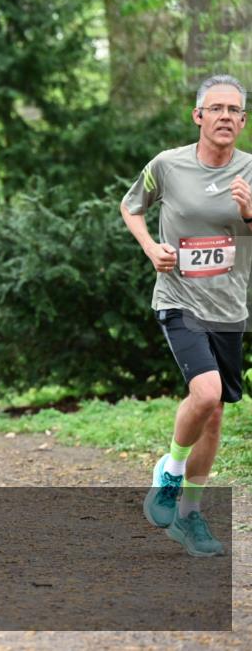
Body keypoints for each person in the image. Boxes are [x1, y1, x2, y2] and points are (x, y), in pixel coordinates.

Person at [121, 74, 252, 557]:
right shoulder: (168, 166)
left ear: (242, 120)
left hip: (229, 308)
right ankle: (170, 473)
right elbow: (130, 206)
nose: (225, 117)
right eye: (215, 108)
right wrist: (151, 247)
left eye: (234, 110)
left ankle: (190, 516)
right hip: (179, 297)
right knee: (207, 391)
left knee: (214, 415)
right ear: (198, 116)